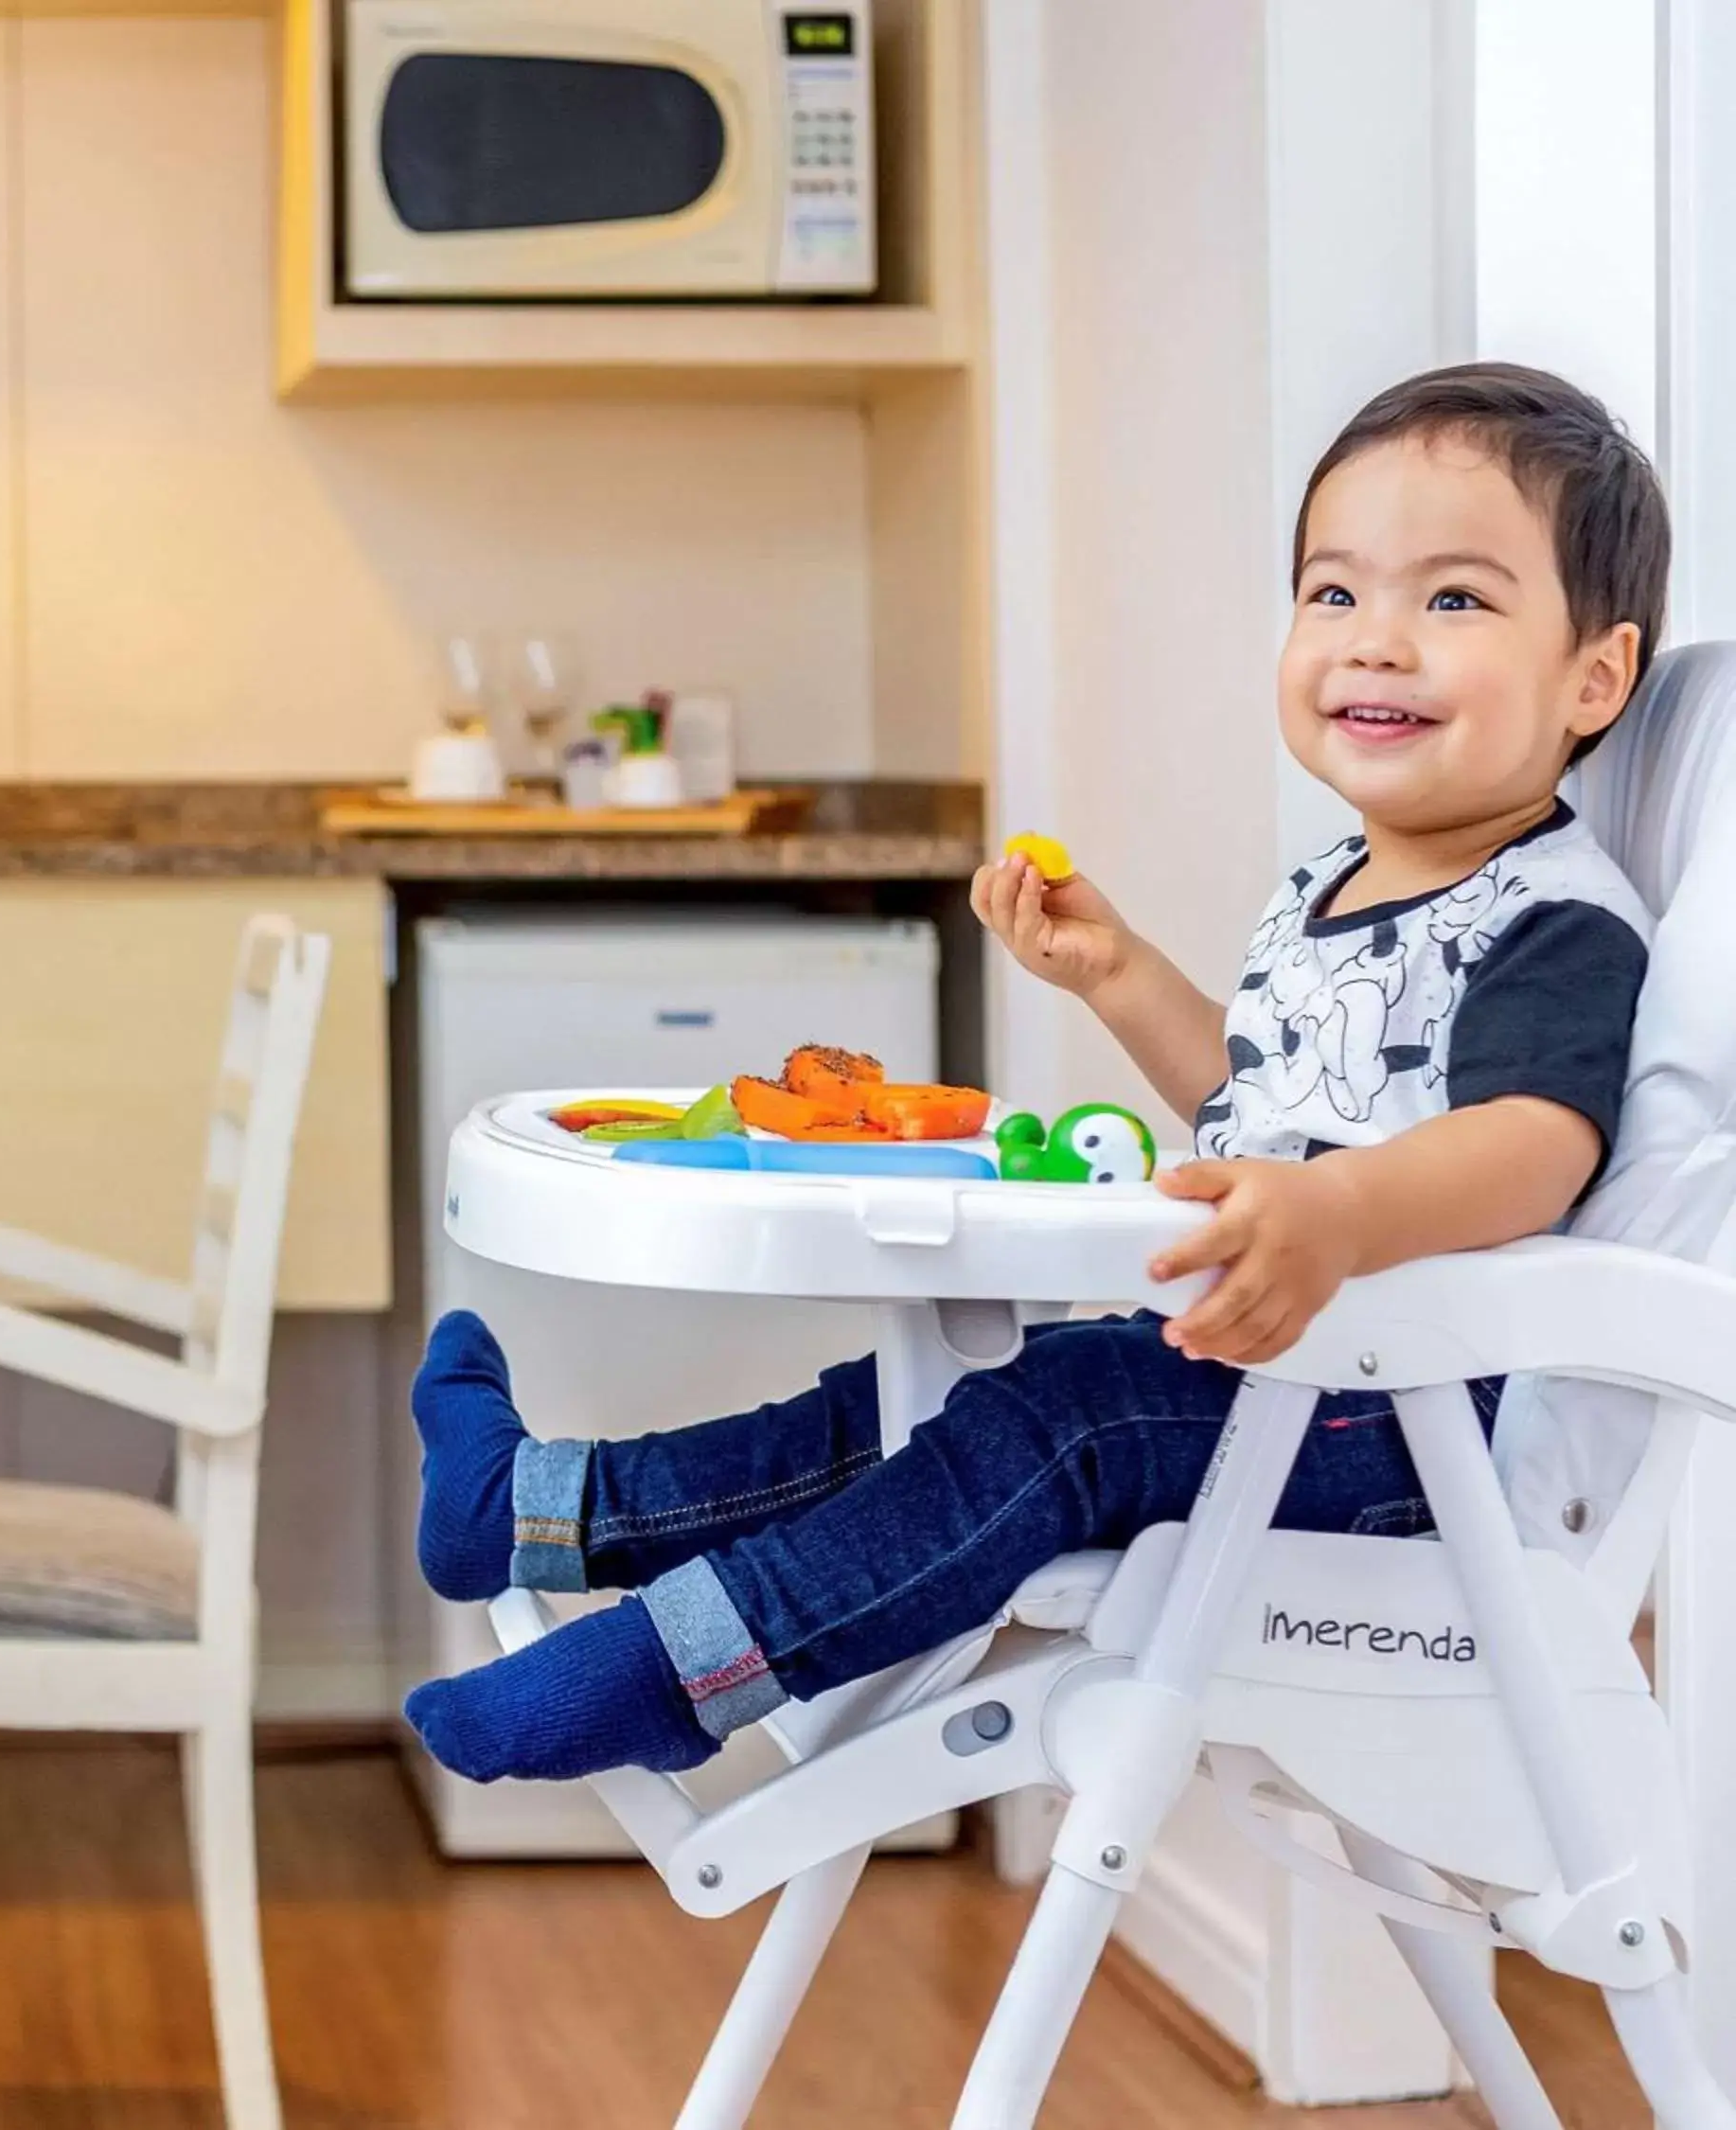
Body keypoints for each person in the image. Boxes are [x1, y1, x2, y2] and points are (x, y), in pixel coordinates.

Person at [404, 363, 1668, 1783]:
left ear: (1594, 675)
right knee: (915, 1401)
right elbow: (1257, 1110)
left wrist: (1341, 1220)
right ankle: (533, 1504)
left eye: (1452, 600)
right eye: (1333, 593)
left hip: (1406, 1430)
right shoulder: (1335, 883)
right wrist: (1118, 974)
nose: (1376, 641)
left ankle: (679, 1672)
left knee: (1055, 1419)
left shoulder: (1550, 919)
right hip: (1274, 1380)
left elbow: (1534, 1140)